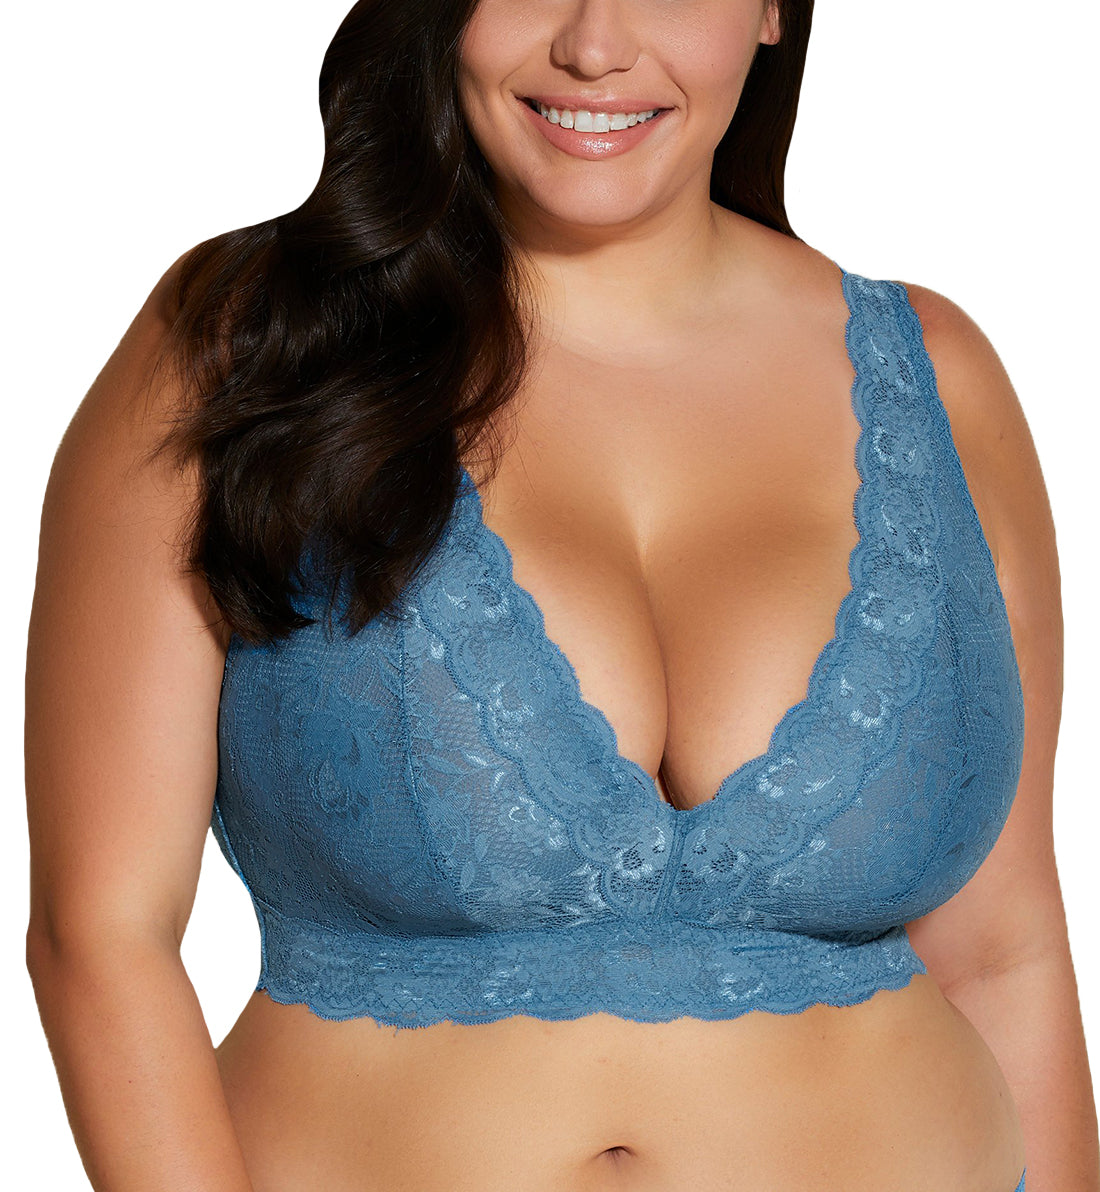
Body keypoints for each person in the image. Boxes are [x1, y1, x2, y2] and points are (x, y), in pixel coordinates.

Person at [23, 0, 1099, 1189]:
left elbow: (1001, 953)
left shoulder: (935, 380)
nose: (594, 46)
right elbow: (102, 936)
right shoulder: (251, 351)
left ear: (770, 12)